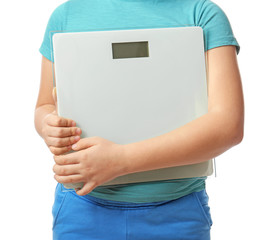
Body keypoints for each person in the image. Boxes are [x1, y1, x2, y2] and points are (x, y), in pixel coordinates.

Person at [34, 0, 244, 239]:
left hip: (177, 214)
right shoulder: (65, 16)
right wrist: (48, 125)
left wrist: (120, 160)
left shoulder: (203, 14)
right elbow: (44, 106)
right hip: (82, 211)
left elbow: (228, 125)